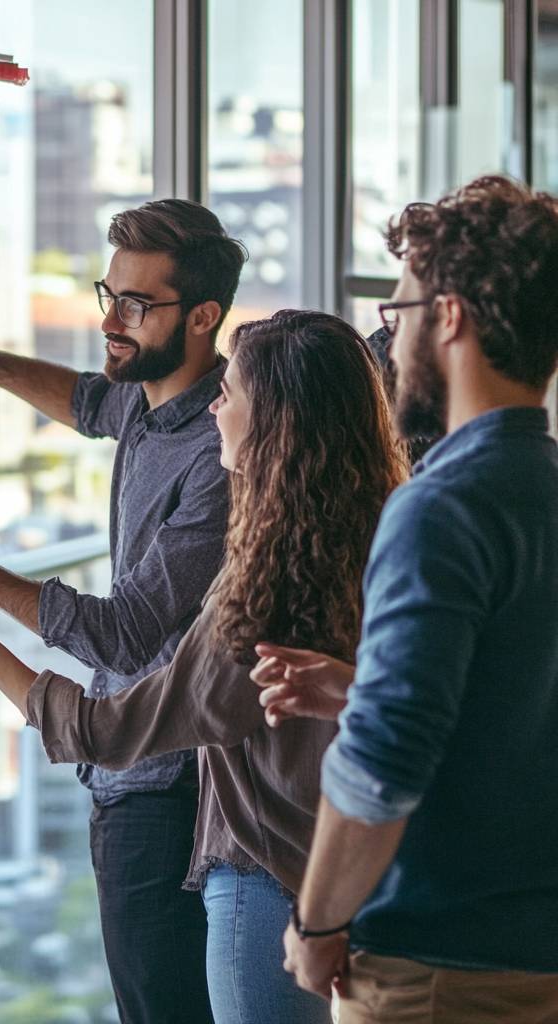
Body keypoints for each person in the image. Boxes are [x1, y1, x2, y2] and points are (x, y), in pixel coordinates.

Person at [0, 310, 408, 1023]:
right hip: (368, 876)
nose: (213, 410)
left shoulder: (262, 591)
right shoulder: (393, 546)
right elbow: (96, 402)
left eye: (228, 395)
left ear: (270, 426)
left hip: (266, 887)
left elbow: (107, 728)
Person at [0, 199, 245, 1022]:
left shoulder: (217, 454)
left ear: (202, 317)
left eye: (135, 305)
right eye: (110, 295)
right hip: (134, 773)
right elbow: (88, 401)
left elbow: (125, 635)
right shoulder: (150, 398)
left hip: (165, 788)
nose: (109, 321)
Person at [255, 177, 558, 1023]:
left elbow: (384, 762)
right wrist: (359, 688)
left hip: (435, 970)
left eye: (400, 314)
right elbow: (517, 707)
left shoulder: (441, 505)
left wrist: (316, 924)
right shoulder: (543, 485)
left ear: (449, 318)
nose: (390, 343)